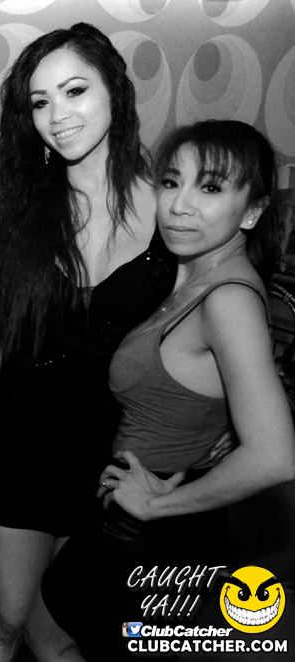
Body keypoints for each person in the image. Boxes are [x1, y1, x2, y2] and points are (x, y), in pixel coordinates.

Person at [0, 23, 175, 660]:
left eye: (74, 91)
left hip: (116, 456)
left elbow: (198, 327)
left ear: (115, 92)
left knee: (66, 626)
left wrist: (215, 423)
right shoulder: (20, 210)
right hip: (24, 443)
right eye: (40, 102)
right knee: (6, 619)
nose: (57, 115)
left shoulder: (170, 212)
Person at [42, 120, 295, 660]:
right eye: (171, 181)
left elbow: (275, 455)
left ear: (252, 211)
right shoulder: (194, 277)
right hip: (142, 510)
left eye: (210, 187)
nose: (180, 205)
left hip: (156, 525)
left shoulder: (228, 300)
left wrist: (158, 505)